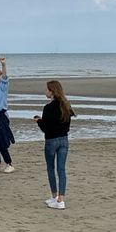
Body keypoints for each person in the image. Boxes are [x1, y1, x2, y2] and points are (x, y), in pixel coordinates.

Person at [34, 80, 76, 210]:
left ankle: (55, 196)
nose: (45, 92)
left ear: (52, 91)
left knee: (51, 168)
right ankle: (60, 199)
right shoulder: (66, 105)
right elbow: (66, 124)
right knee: (61, 169)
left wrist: (39, 121)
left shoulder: (48, 108)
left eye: (47, 89)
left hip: (52, 140)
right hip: (64, 139)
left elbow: (46, 128)